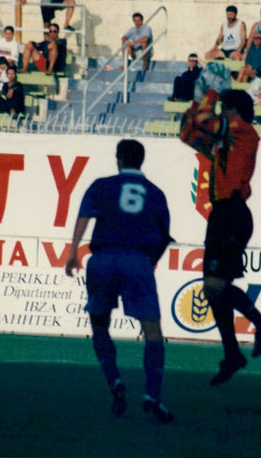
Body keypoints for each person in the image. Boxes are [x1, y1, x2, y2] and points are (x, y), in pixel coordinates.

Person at [179, 71, 261, 386]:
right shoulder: (226, 140)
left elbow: (206, 122)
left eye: (224, 106)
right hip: (223, 214)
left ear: (233, 110)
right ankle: (235, 350)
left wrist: (208, 93)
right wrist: (198, 100)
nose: (220, 110)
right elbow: (186, 133)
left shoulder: (244, 131)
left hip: (232, 212)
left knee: (216, 287)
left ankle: (259, 329)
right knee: (213, 288)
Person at [65, 139, 175, 424]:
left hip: (102, 258)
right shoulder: (156, 193)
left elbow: (84, 215)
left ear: (118, 159)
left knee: (99, 325)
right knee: (152, 330)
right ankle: (152, 394)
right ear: (141, 160)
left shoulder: (101, 185)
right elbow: (164, 237)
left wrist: (72, 251)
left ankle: (115, 381)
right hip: (136, 260)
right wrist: (149, 263)